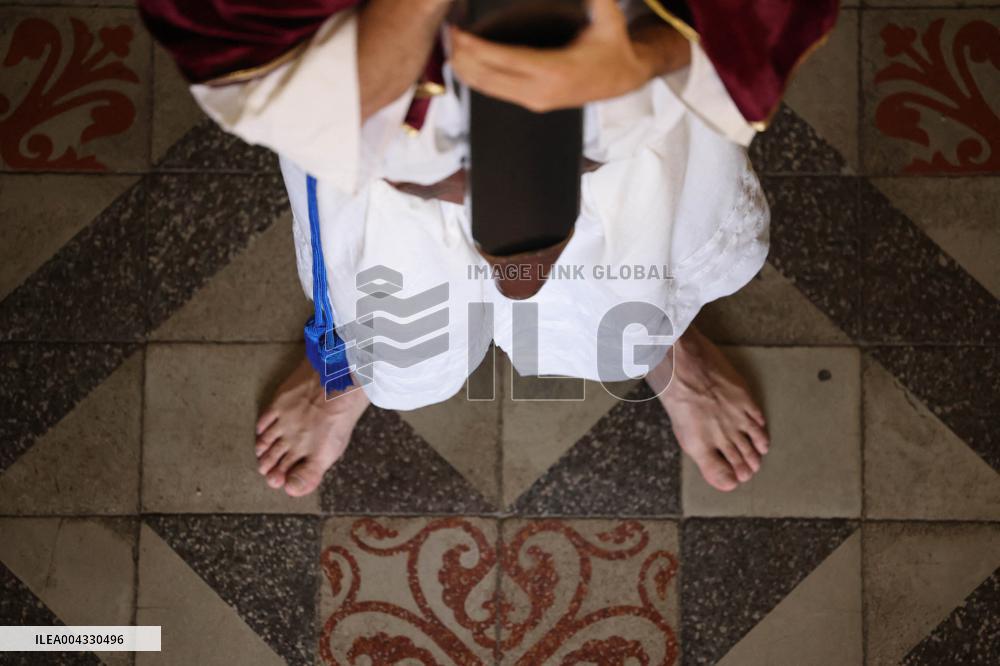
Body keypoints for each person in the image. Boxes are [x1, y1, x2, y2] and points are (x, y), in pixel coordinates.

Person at [139, 0, 839, 497]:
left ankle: (662, 345)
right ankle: (349, 361)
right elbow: (228, 35)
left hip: (623, 106)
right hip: (391, 146)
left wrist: (648, 55)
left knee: (633, 257)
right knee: (388, 284)